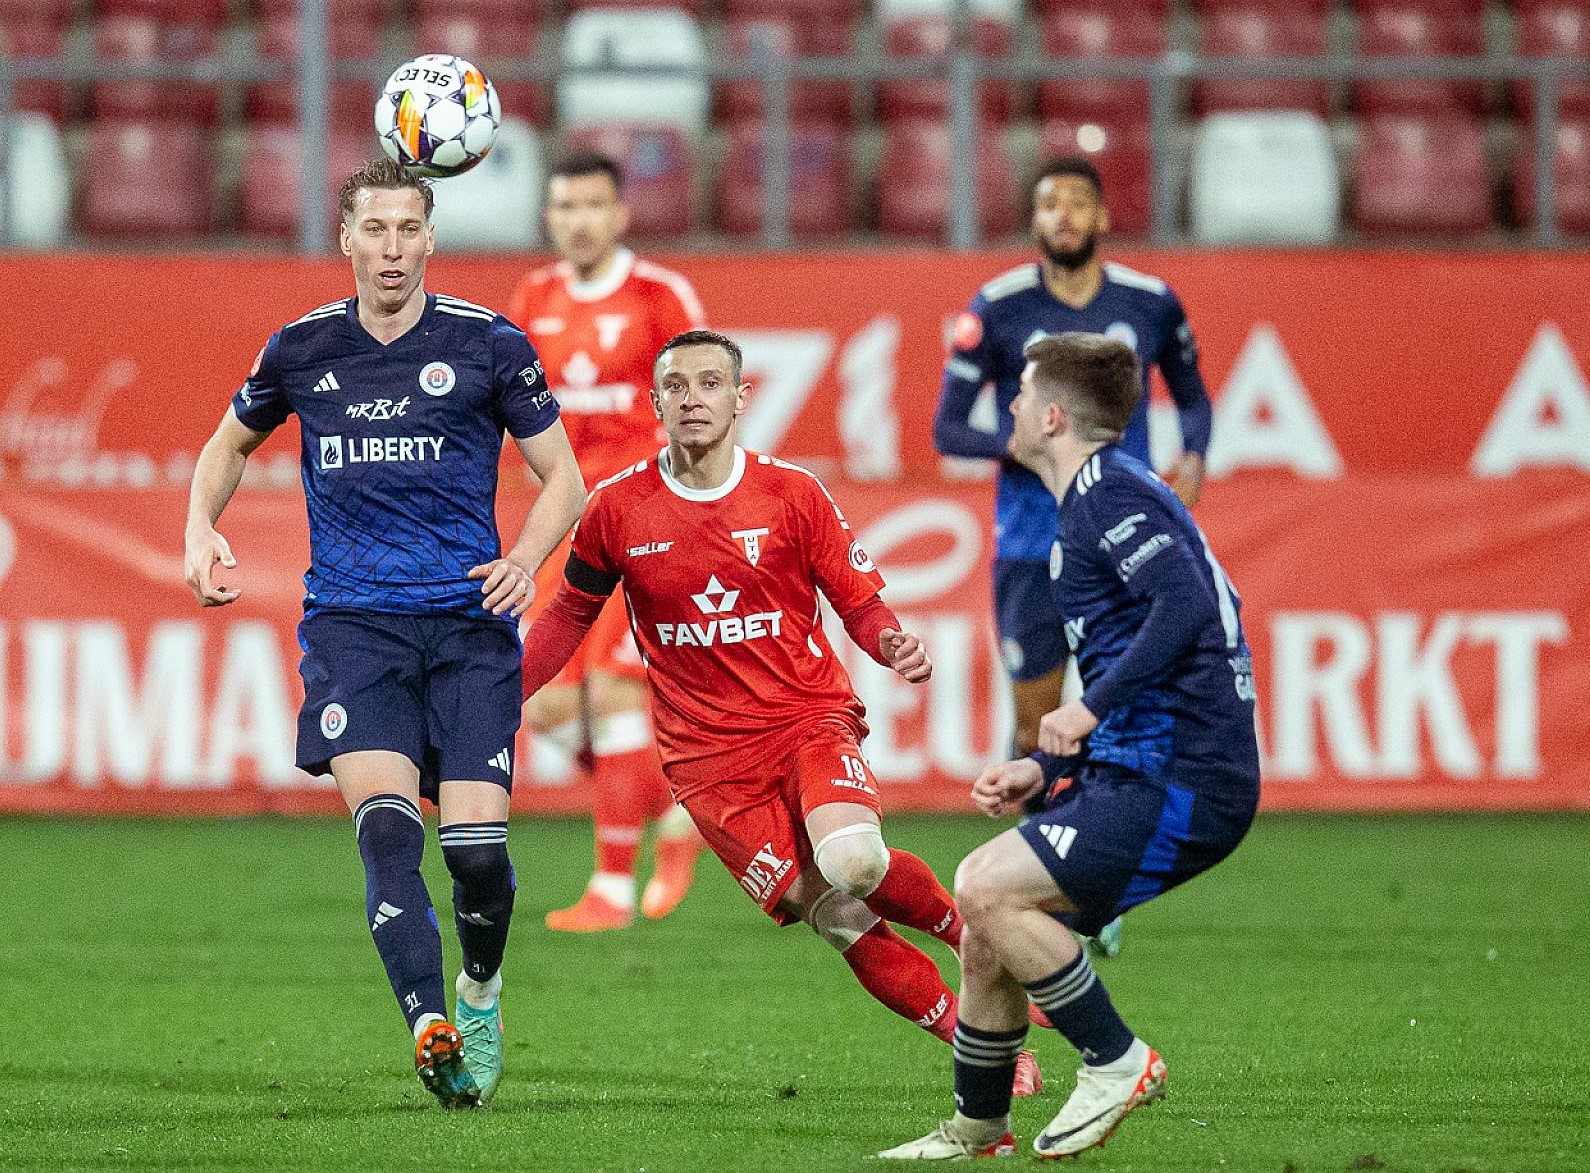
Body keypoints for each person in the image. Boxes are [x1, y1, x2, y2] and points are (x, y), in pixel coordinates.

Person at [522, 328, 1042, 1095]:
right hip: (707, 767)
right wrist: (503, 692)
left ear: (741, 397)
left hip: (805, 721)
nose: (693, 398)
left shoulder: (791, 493)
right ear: (655, 402)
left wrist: (889, 642)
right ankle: (982, 1041)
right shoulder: (617, 508)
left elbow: (858, 601)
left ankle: (977, 935)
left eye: (710, 383)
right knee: (839, 916)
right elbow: (569, 612)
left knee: (856, 861)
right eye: (676, 386)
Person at [183, 158, 585, 1110]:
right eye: (375, 229)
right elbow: (228, 443)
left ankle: (477, 988)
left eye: (409, 229)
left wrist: (526, 557)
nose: (393, 249)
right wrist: (199, 528)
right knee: (390, 833)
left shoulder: (489, 344)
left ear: (431, 237)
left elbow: (564, 479)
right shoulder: (301, 347)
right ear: (346, 239)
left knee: (476, 854)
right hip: (355, 629)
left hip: (469, 627)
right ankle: (427, 1023)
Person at [880, 333, 1258, 1160]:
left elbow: (1186, 606)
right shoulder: (1100, 497)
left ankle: (1115, 1058)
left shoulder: (1109, 495)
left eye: (1020, 394)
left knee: (983, 885)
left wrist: (1086, 710)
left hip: (1181, 777)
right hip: (1140, 767)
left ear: (1051, 417)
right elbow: (1150, 638)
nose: (1010, 407)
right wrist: (1044, 766)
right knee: (986, 931)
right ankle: (978, 1128)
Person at [934, 155, 1215, 958]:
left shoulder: (1150, 301)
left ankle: (1096, 881)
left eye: (1078, 202)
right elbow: (948, 427)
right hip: (1031, 544)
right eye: (1048, 202)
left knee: (1121, 712)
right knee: (1036, 722)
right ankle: (1043, 876)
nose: (1062, 215)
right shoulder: (998, 307)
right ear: (1033, 220)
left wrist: (1194, 453)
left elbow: (1193, 396)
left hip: (1123, 536)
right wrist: (1028, 447)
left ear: (1102, 217)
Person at [508, 150, 708, 933]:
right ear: (549, 216)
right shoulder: (534, 298)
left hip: (641, 518)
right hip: (564, 522)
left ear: (620, 214)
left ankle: (611, 887)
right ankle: (681, 806)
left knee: (618, 696)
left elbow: (707, 402)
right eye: (565, 205)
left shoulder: (660, 295)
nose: (579, 220)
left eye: (593, 204)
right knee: (551, 705)